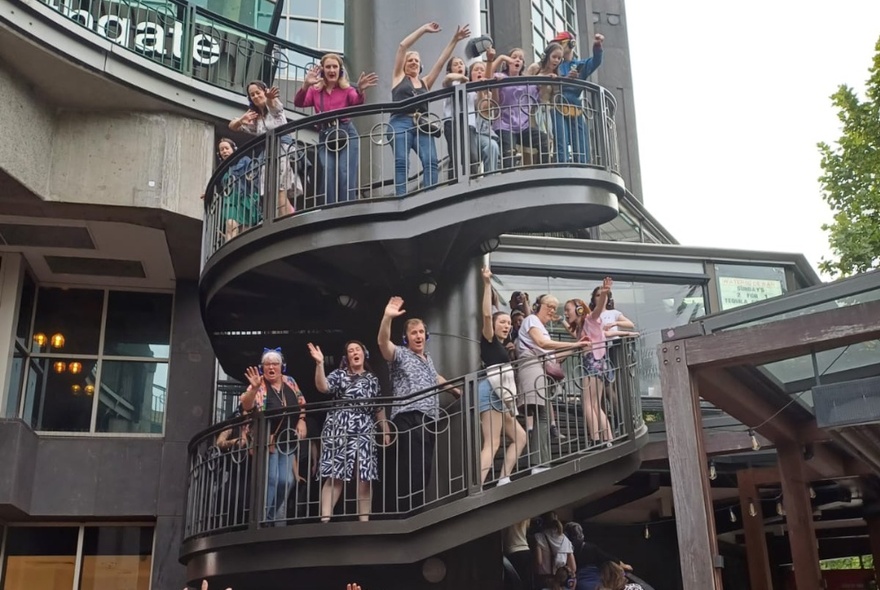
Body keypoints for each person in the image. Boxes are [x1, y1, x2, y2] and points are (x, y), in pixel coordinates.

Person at [378, 296, 461, 511]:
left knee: (423, 467)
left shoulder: (428, 358)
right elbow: (382, 343)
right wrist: (387, 317)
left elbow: (436, 378)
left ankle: (416, 509)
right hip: (409, 416)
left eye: (421, 332)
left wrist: (454, 390)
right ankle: (408, 512)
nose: (418, 336)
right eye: (413, 333)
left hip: (429, 418)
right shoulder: (401, 354)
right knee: (411, 468)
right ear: (406, 338)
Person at [308, 340, 390, 522]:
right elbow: (323, 387)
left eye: (358, 349)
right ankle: (325, 520)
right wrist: (320, 364)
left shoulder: (372, 379)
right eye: (351, 351)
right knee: (335, 474)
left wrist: (385, 430)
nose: (355, 352)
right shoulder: (339, 374)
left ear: (364, 354)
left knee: (365, 475)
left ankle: (364, 522)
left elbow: (378, 408)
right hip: (339, 426)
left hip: (364, 427)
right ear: (347, 357)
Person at [389, 22, 471, 196]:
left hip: (421, 123)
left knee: (431, 160)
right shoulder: (398, 78)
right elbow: (403, 46)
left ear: (420, 66)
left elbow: (441, 62)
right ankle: (401, 197)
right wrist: (424, 30)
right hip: (401, 121)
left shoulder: (425, 82)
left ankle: (430, 196)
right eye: (410, 60)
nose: (413, 62)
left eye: (416, 61)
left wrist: (454, 40)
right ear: (404, 65)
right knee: (402, 161)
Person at [294, 54, 378, 205]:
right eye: (328, 67)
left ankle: (346, 208)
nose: (331, 70)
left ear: (340, 70)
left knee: (344, 170)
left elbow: (356, 101)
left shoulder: (346, 89)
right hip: (326, 134)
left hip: (346, 132)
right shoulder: (315, 90)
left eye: (335, 67)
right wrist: (305, 85)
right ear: (322, 70)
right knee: (328, 169)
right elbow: (299, 102)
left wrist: (360, 90)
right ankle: (329, 208)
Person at [516, 294, 585, 470]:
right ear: (539, 306)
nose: (552, 310)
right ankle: (539, 463)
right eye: (549, 306)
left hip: (539, 368)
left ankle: (540, 461)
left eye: (555, 307)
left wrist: (576, 345)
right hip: (532, 368)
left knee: (543, 416)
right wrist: (574, 345)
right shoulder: (531, 319)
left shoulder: (540, 325)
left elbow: (553, 356)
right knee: (542, 415)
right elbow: (542, 343)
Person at [240, 348, 307, 523]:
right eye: (267, 364)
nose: (271, 367)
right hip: (265, 439)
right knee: (271, 480)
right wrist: (253, 389)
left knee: (287, 481)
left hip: (287, 439)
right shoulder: (259, 383)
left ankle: (269, 517)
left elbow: (301, 401)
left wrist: (301, 419)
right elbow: (246, 405)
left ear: (281, 366)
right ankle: (261, 520)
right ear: (262, 367)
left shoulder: (290, 381)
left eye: (275, 364)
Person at [478, 267, 527, 485]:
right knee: (492, 442)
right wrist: (487, 283)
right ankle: (477, 487)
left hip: (502, 394)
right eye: (503, 322)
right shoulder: (488, 338)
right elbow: (488, 314)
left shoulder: (501, 345)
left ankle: (504, 477)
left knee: (521, 437)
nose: (507, 326)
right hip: (491, 390)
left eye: (508, 323)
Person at [228, 80, 297, 218]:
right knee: (272, 191)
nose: (255, 96)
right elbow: (232, 126)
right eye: (252, 94)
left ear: (264, 92)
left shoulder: (274, 108)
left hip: (281, 152)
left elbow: (274, 107)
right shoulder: (256, 118)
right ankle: (290, 216)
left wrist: (271, 98)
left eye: (258, 92)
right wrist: (241, 120)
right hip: (268, 156)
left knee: (280, 188)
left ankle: (283, 221)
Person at [563, 277, 615, 445]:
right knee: (594, 404)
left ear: (579, 310)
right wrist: (561, 322)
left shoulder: (590, 320)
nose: (565, 313)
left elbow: (598, 310)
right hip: (597, 364)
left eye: (567, 310)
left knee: (587, 404)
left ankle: (596, 439)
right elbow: (576, 341)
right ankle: (607, 439)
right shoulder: (582, 327)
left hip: (593, 363)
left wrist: (604, 294)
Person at [487, 48, 551, 168]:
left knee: (544, 140)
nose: (517, 60)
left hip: (523, 127)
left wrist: (547, 79)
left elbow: (539, 95)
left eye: (521, 59)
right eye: (514, 57)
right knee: (509, 155)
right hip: (504, 125)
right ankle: (508, 180)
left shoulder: (526, 81)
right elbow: (487, 76)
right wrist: (501, 57)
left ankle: (543, 171)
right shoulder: (500, 76)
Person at [547, 32, 604, 164]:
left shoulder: (580, 65)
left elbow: (595, 61)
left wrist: (597, 47)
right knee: (561, 137)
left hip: (575, 103)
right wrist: (566, 78)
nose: (557, 47)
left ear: (571, 44)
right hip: (558, 102)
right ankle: (563, 165)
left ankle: (582, 165)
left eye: (561, 43)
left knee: (580, 139)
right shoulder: (554, 64)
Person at [214, 404, 254, 527]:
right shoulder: (233, 425)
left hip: (248, 472)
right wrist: (234, 442)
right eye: (247, 412)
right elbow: (219, 442)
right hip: (233, 470)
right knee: (230, 499)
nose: (249, 415)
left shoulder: (254, 428)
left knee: (246, 502)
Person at [564, 522, 634, 590]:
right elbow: (608, 558)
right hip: (594, 581)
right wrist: (624, 566)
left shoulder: (563, 551)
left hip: (574, 582)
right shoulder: (589, 548)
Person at [213, 137, 258, 242]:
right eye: (221, 150)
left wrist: (251, 177)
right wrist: (208, 194)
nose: (224, 151)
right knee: (231, 225)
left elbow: (255, 175)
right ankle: (229, 252)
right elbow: (218, 188)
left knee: (245, 231)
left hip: (244, 199)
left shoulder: (245, 160)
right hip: (230, 201)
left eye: (226, 148)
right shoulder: (222, 171)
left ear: (233, 148)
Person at [534, 511, 576, 587]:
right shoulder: (565, 540)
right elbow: (573, 567)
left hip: (545, 579)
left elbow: (539, 561)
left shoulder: (539, 537)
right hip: (561, 580)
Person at [504, 518, 534, 590]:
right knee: (527, 582)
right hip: (525, 548)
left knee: (514, 582)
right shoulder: (524, 515)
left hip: (512, 550)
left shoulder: (506, 516)